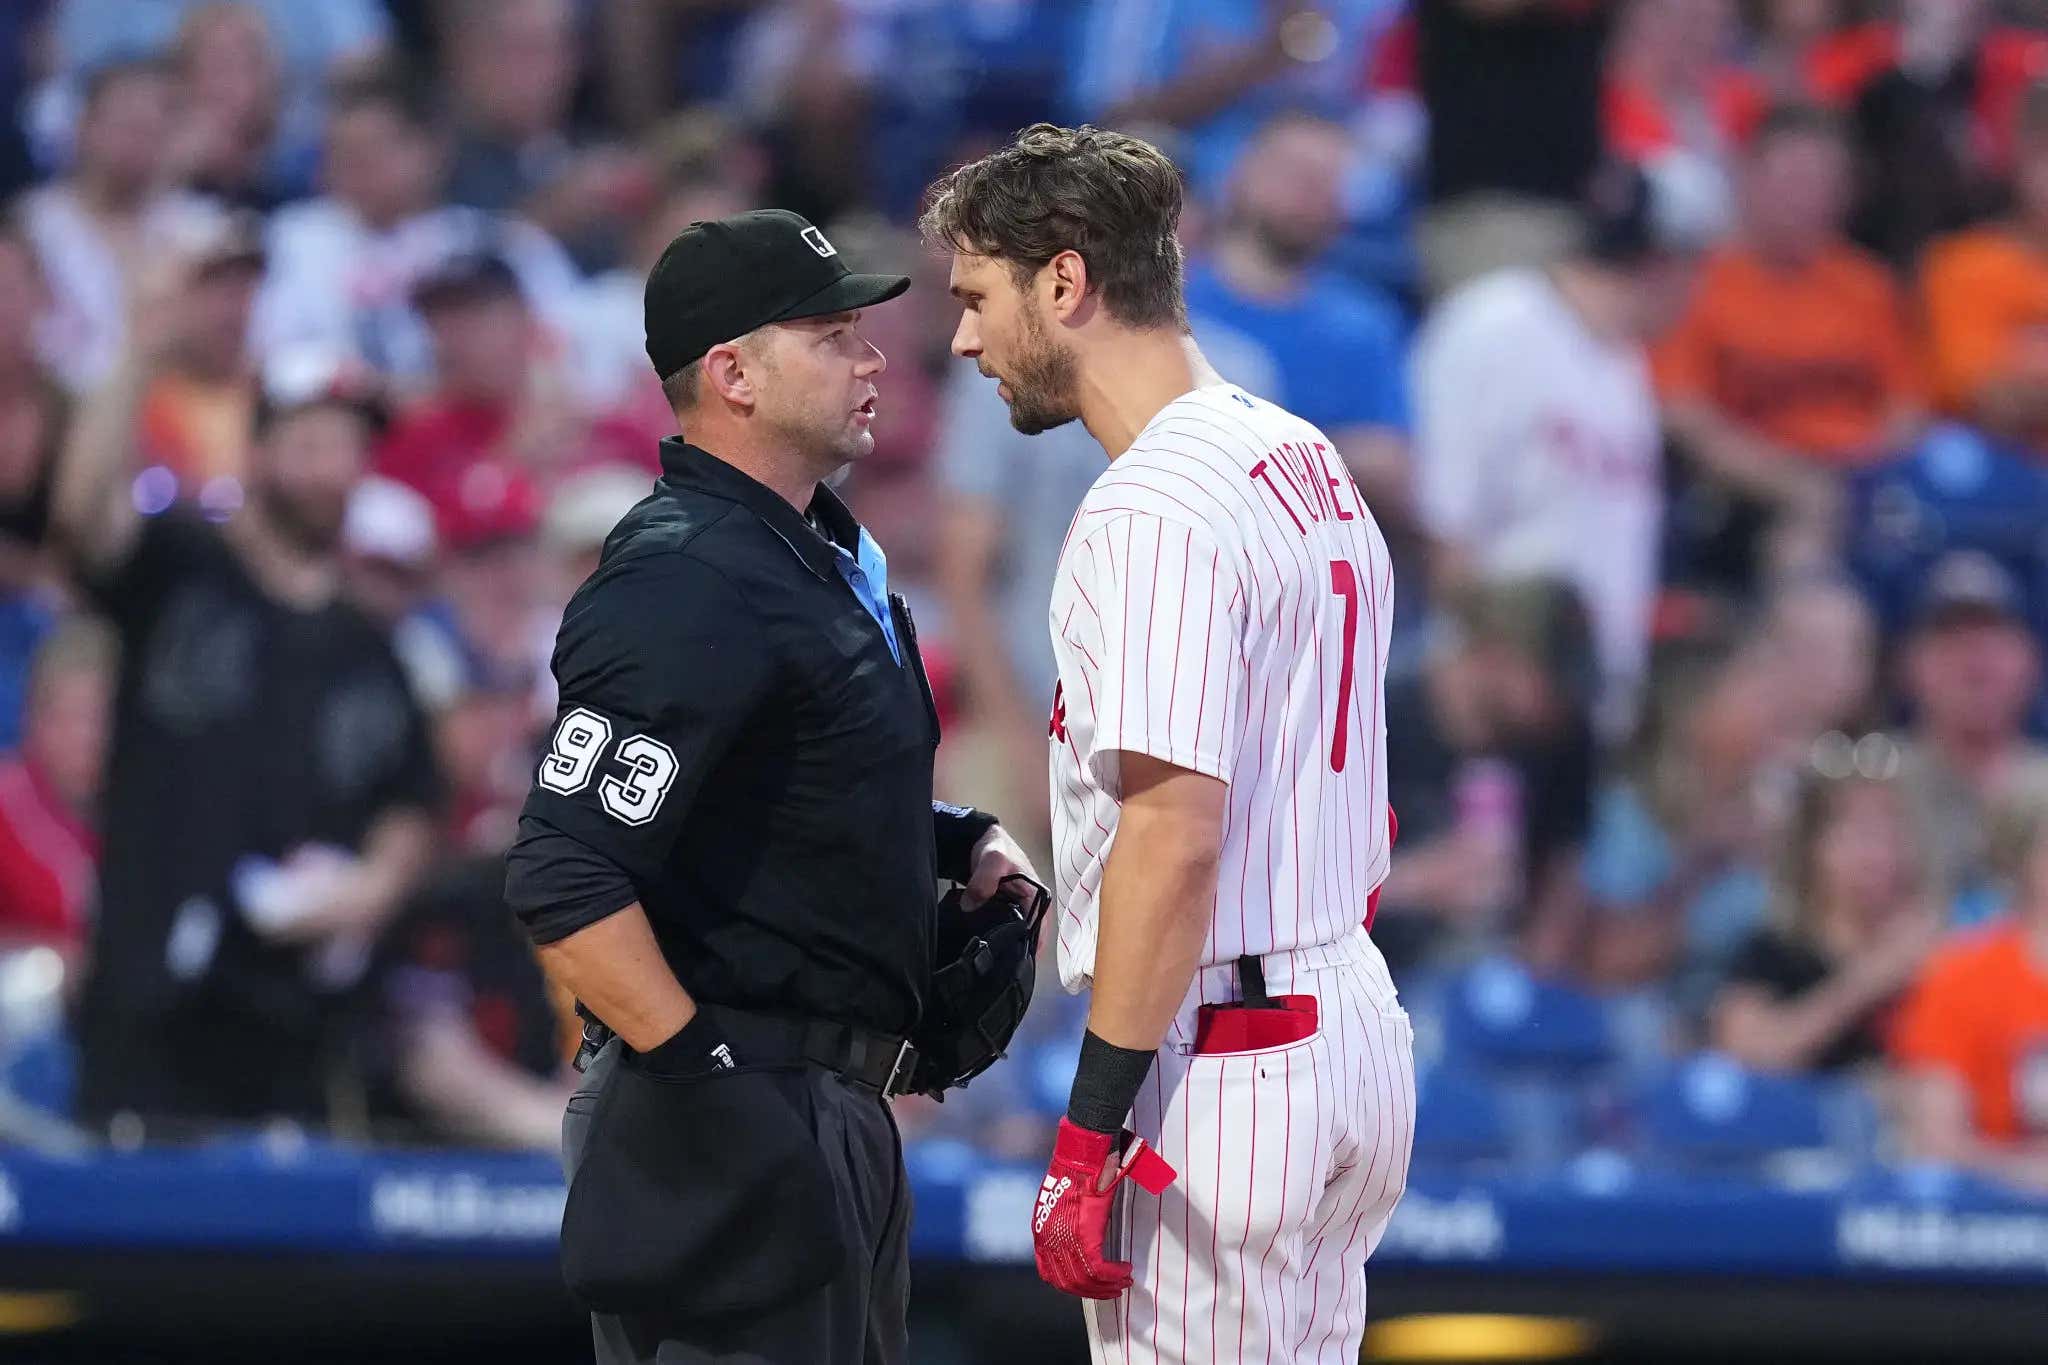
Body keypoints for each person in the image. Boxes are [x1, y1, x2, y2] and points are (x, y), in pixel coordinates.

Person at [503, 209, 1038, 1365]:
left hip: (825, 1109)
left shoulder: (814, 559)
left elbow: (774, 794)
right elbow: (564, 866)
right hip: (731, 1109)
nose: (872, 356)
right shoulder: (686, 572)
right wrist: (708, 1084)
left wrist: (957, 844)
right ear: (733, 374)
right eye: (830, 332)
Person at [923, 122, 1411, 1364]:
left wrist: (1086, 1133)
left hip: (1231, 1056)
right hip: (1344, 1014)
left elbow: (1174, 834)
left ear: (1066, 282)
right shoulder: (1297, 450)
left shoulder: (1147, 506)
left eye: (978, 297)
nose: (964, 339)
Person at [50, 245, 440, 1133]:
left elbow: (412, 800)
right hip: (154, 1003)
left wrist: (374, 884)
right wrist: (139, 354)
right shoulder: (185, 568)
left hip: (298, 1028)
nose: (330, 468)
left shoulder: (372, 646)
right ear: (258, 450)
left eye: (347, 447)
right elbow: (82, 519)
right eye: (307, 441)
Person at [1411, 160, 1700, 739]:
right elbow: (1442, 523)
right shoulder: (1493, 326)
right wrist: (1483, 683)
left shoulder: (1624, 364)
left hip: (1585, 704)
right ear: (1665, 267)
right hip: (1493, 697)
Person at [1656, 104, 1924, 584]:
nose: (1807, 198)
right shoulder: (1695, 282)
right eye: (1792, 179)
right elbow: (1686, 418)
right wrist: (1795, 482)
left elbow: (1907, 408)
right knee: (1807, 526)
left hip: (1865, 481)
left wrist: (1864, 474)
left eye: (1824, 183)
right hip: (1748, 492)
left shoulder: (1867, 285)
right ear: (1747, 179)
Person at [1184, 108, 1411, 523]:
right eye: (1295, 172)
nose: (1311, 193)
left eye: (1330, 181)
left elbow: (1390, 463)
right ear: (1241, 174)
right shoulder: (1168, 300)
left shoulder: (1362, 326)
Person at [1709, 748, 1941, 1074]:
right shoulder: (1774, 950)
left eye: (1891, 831)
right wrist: (1865, 981)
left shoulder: (1946, 954)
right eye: (1856, 831)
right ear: (1811, 848)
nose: (1876, 852)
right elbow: (1749, 1055)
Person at [1891, 793, 2048, 1192]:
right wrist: (2028, 1175)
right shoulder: (1962, 976)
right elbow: (1936, 1141)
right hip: (1993, 1213)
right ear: (2028, 862)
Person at [1893, 551, 2048, 919]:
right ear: (1909, 663)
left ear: (2031, 661)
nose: (1975, 661)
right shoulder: (1874, 783)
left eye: (1993, 638)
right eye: (1951, 640)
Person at [1919, 80, 2048, 453]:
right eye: (2042, 154)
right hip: (1998, 475)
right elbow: (1988, 401)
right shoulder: (1962, 265)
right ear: (2018, 159)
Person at [0, 618, 113, 961]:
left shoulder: (159, 811)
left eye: (96, 719)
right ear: (29, 719)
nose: (81, 739)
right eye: (62, 717)